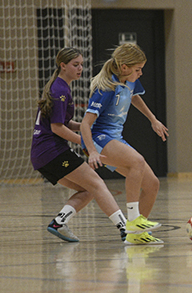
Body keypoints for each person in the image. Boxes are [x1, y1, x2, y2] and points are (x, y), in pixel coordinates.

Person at [31, 47, 128, 242]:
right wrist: (86, 142)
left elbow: (65, 123)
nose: (80, 68)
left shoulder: (61, 87)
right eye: (75, 65)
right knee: (98, 184)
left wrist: (86, 128)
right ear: (63, 65)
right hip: (52, 151)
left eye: (82, 64)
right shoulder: (59, 90)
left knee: (88, 189)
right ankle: (126, 229)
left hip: (42, 155)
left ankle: (59, 222)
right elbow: (57, 128)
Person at [80, 43, 168, 245]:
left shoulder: (130, 80)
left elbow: (135, 97)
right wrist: (92, 151)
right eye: (138, 69)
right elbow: (85, 123)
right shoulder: (106, 88)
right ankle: (133, 221)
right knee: (137, 161)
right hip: (99, 138)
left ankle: (135, 236)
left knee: (152, 184)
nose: (141, 73)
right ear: (124, 67)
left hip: (115, 138)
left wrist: (153, 119)